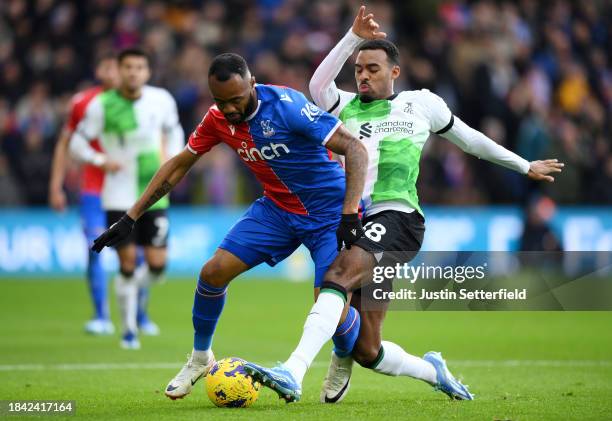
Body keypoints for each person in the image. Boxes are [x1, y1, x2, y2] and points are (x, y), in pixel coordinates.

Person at [244, 6, 564, 403]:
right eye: (359, 68)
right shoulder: (342, 106)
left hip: (398, 217)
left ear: (394, 72)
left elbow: (472, 140)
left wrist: (523, 164)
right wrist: (352, 38)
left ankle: (292, 371)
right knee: (369, 349)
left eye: (373, 68)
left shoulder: (421, 103)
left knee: (337, 277)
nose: (363, 74)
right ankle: (433, 371)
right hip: (356, 220)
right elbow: (317, 84)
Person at [90, 53, 368, 399]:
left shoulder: (287, 106)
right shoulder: (216, 118)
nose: (230, 109)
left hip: (329, 214)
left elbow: (355, 149)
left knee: (330, 309)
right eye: (221, 101)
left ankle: (343, 356)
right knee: (212, 273)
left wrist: (350, 213)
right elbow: (179, 165)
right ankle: (200, 357)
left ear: (251, 84)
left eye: (236, 99)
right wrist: (131, 216)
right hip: (278, 210)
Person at [70, 48, 185, 349]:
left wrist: (171, 160)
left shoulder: (161, 100)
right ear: (119, 71)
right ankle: (129, 329)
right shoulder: (101, 105)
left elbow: (175, 133)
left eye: (139, 67)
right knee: (128, 262)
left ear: (147, 72)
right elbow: (76, 143)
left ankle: (127, 288)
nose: (133, 72)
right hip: (118, 196)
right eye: (128, 67)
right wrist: (99, 159)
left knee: (158, 266)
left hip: (154, 195)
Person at [48, 53, 119, 335]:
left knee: (137, 253)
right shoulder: (82, 103)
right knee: (94, 247)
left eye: (117, 66)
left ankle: (139, 315)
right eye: (107, 65)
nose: (112, 72)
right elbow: (64, 145)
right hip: (93, 188)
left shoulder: (142, 103)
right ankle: (101, 315)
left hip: (127, 189)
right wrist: (56, 186)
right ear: (98, 69)